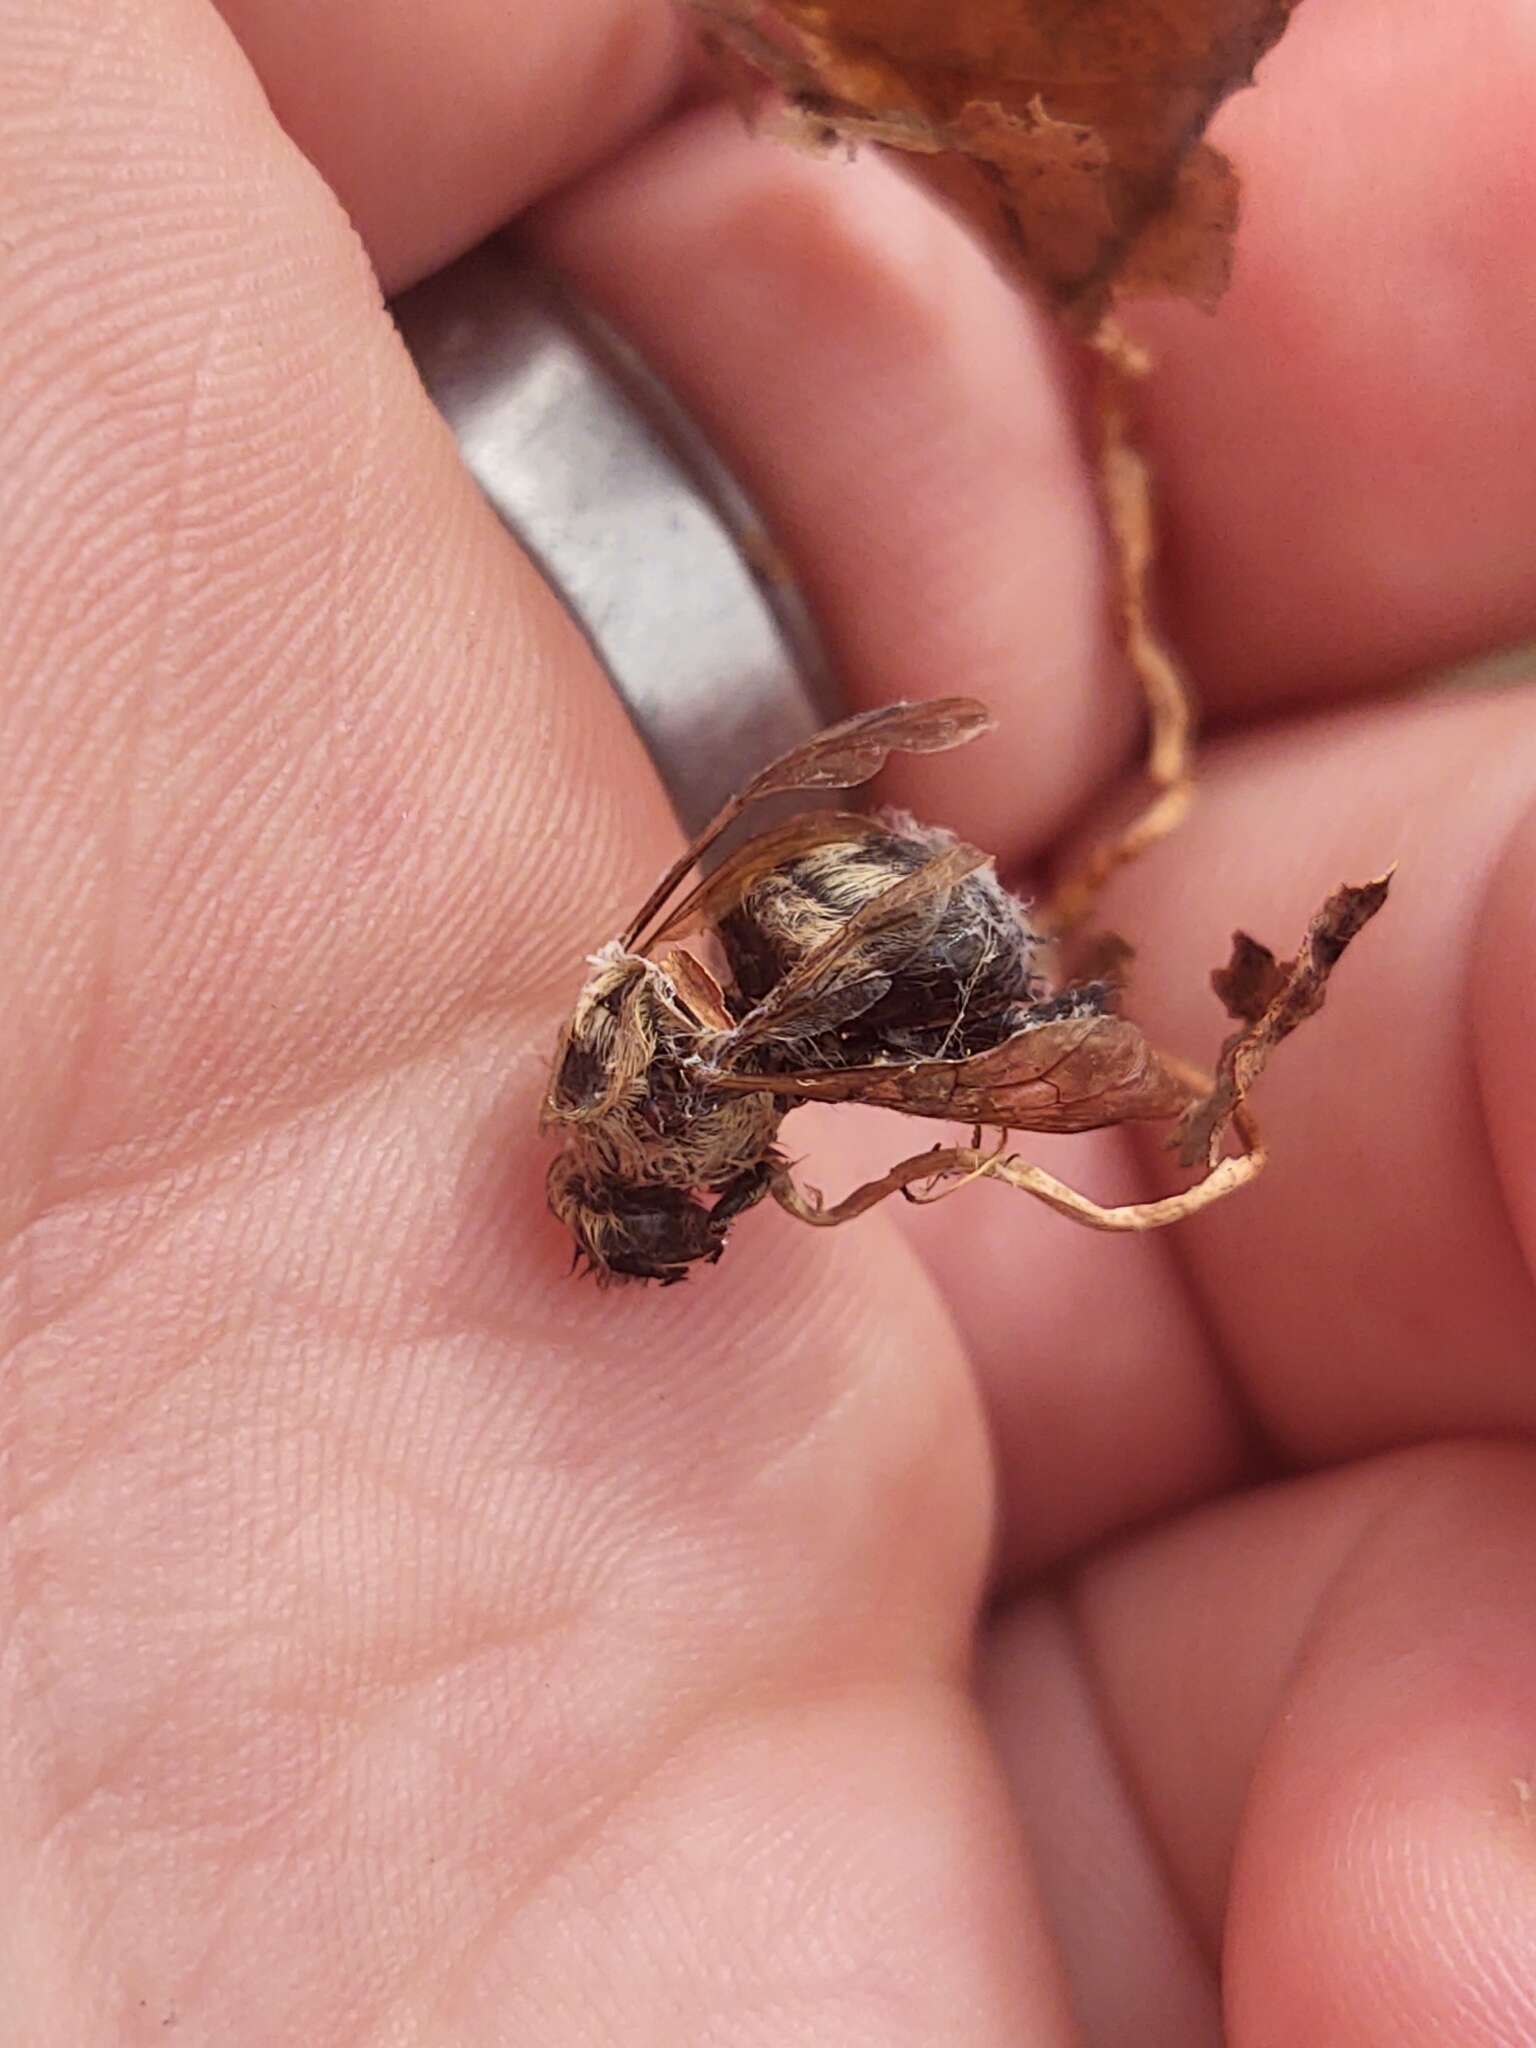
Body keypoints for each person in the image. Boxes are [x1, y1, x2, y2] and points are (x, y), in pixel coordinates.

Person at [3, 3, 1534, 2042]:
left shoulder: (707, 1074)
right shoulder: (671, 1032)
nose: (665, 1223)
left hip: (887, 934)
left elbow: (751, 1054)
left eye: (662, 1212)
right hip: (856, 911)